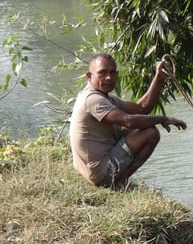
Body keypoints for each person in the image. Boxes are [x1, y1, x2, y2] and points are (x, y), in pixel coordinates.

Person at [69, 53, 186, 191]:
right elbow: (129, 121)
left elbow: (141, 109)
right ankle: (120, 181)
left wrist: (159, 78)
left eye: (113, 73)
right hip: (99, 173)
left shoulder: (105, 97)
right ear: (89, 76)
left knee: (142, 126)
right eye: (102, 73)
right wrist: (163, 119)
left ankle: (120, 179)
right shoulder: (93, 99)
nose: (109, 77)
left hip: (93, 168)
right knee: (151, 133)